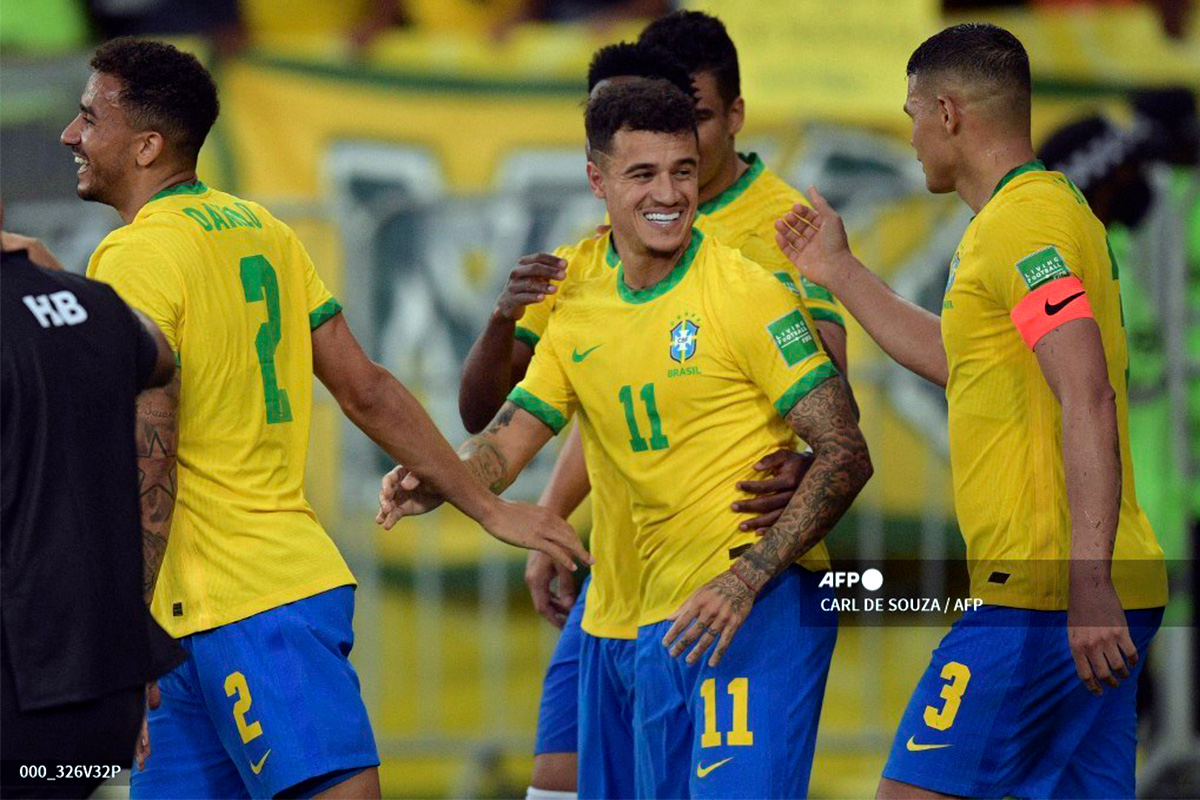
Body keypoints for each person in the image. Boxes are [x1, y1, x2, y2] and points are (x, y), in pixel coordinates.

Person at [62, 37, 588, 799]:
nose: (71, 135)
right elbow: (365, 387)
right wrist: (486, 507)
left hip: (245, 602)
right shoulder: (264, 231)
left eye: (87, 118)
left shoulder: (133, 254)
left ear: (145, 145)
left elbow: (149, 438)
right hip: (190, 616)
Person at [382, 79, 871, 799]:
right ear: (597, 180)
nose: (668, 193)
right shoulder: (576, 293)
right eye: (642, 174)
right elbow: (502, 446)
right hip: (636, 621)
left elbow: (845, 449)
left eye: (681, 169)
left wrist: (748, 576)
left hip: (751, 608)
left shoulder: (748, 292)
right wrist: (436, 482)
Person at [775, 23, 1168, 798]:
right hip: (1089, 584)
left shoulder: (1022, 226)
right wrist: (840, 272)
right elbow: (965, 365)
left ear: (949, 114)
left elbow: (1084, 392)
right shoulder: (1037, 214)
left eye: (913, 113)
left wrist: (1085, 585)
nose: (913, 135)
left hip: (1046, 594)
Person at [1, 224, 180, 799]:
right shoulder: (94, 304)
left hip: (21, 695)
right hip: (102, 703)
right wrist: (49, 274)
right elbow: (157, 353)